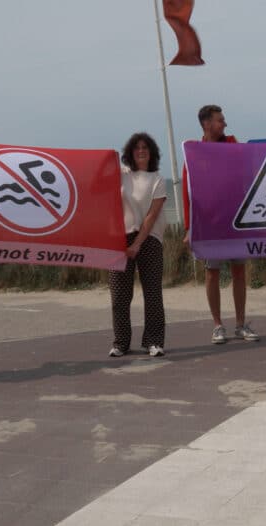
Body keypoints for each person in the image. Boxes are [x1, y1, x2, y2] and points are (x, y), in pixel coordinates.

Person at [199, 104, 259, 345]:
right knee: (212, 273)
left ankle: (240, 324)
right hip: (211, 222)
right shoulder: (195, 151)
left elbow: (246, 169)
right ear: (207, 124)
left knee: (239, 272)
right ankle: (217, 325)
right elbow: (190, 189)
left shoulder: (232, 144)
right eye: (220, 120)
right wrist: (188, 228)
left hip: (235, 220)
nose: (224, 124)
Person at [108, 132, 168, 358]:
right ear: (130, 152)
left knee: (152, 293)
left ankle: (153, 341)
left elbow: (152, 216)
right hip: (120, 239)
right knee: (119, 295)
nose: (141, 151)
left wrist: (138, 244)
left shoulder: (158, 180)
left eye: (145, 147)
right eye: (136, 147)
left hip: (149, 239)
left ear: (151, 152)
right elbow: (105, 163)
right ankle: (121, 342)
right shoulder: (122, 175)